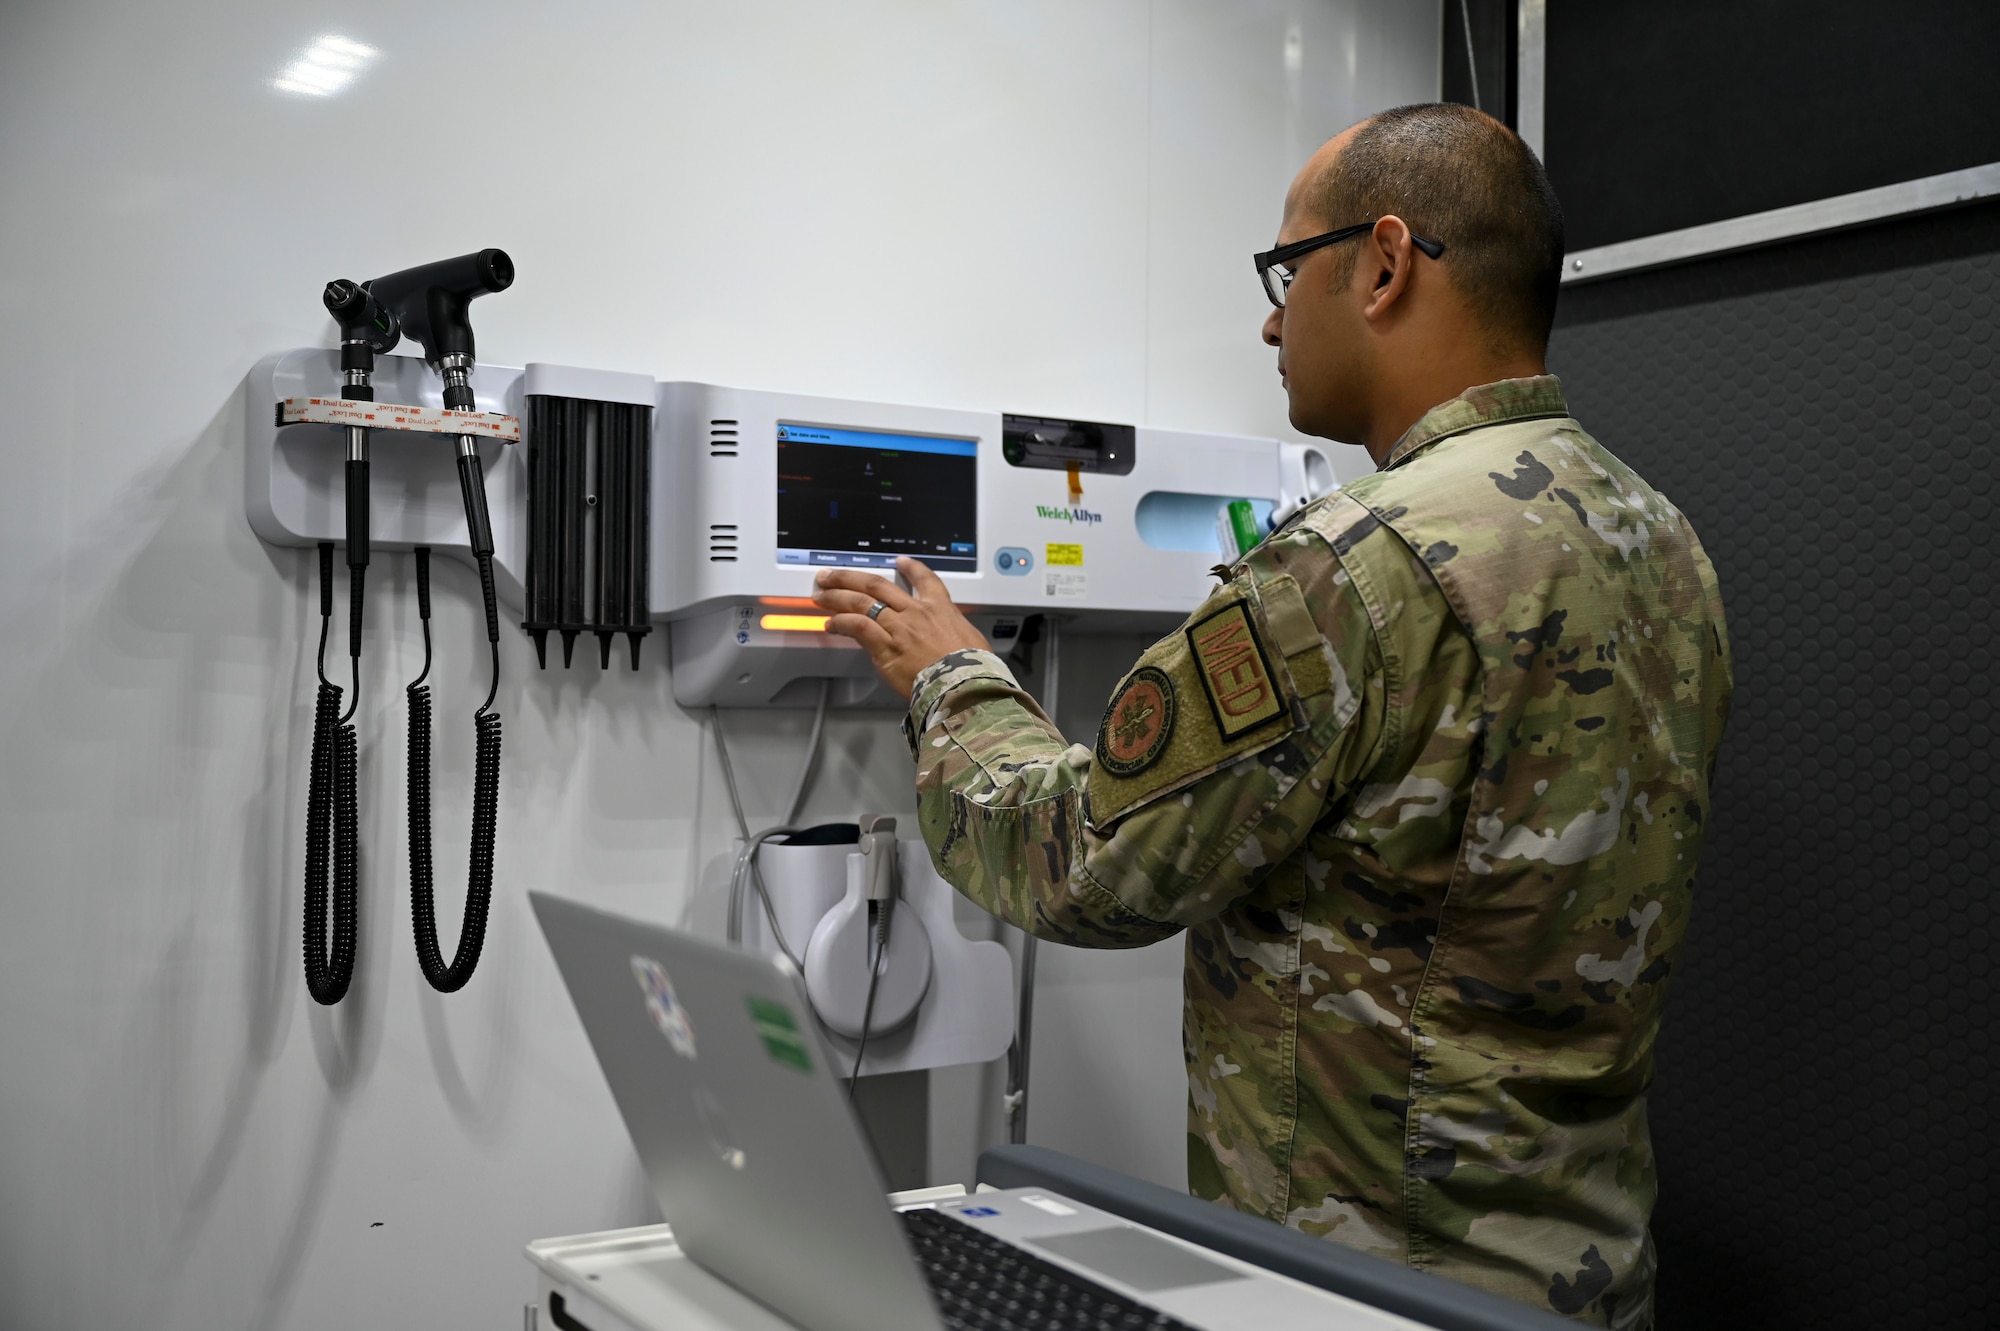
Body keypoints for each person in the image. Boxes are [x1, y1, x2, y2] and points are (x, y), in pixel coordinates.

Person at [813, 103, 1731, 1330]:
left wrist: (952, 674)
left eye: (1285, 269)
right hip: (1581, 1284)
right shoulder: (1659, 541)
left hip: (1361, 1287)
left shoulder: (1352, 568)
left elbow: (1083, 859)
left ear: (1386, 262)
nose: (1268, 315)